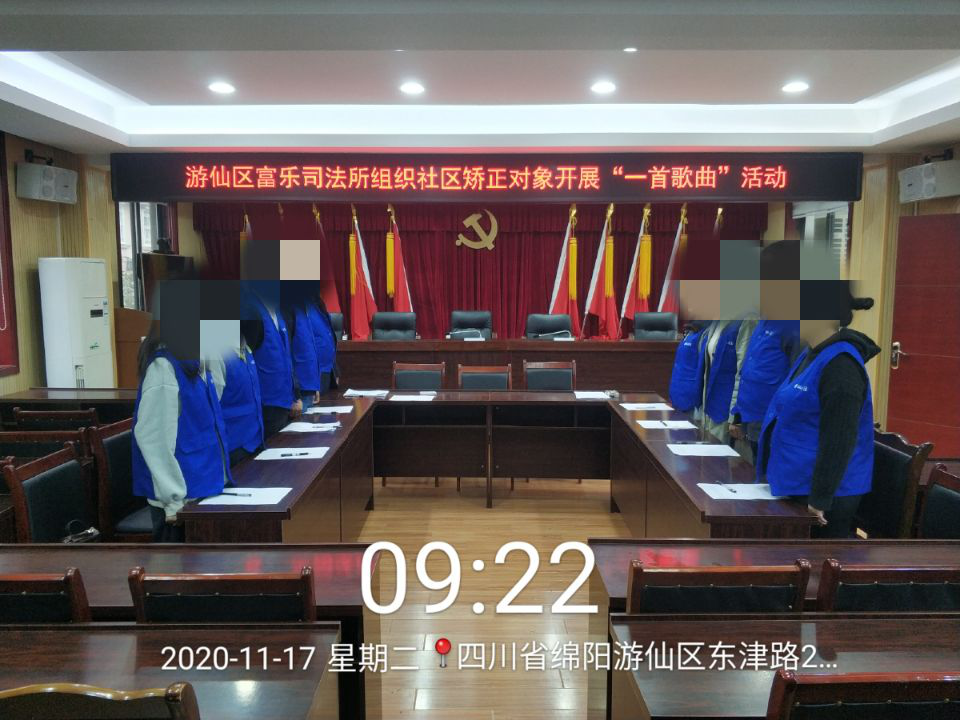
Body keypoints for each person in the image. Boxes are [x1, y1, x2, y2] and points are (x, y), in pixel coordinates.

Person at [756, 242, 878, 538]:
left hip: (824, 502)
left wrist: (820, 498)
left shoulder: (841, 365)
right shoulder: (810, 354)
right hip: (795, 483)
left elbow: (840, 438)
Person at [132, 280, 231, 542]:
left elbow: (216, 396)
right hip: (179, 502)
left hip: (203, 485)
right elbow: (154, 440)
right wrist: (173, 499)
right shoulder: (163, 369)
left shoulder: (195, 360)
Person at [729, 319, 801, 461]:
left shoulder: (791, 328)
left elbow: (795, 379)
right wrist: (738, 417)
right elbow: (748, 372)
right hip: (750, 419)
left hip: (770, 424)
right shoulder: (761, 324)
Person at [242, 282, 302, 436]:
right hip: (267, 404)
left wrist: (295, 394)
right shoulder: (251, 311)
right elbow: (246, 361)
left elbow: (287, 357)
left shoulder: (278, 311)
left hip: (285, 401)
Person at [209, 326, 265, 466]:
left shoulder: (246, 347)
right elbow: (212, 405)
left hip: (256, 439)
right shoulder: (215, 353)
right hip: (233, 446)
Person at [281, 282, 338, 408]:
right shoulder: (287, 306)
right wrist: (295, 393)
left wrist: (317, 383)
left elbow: (326, 336)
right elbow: (286, 352)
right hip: (299, 387)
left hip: (313, 381)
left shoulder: (312, 302)